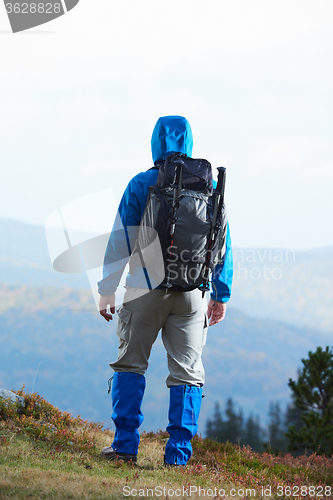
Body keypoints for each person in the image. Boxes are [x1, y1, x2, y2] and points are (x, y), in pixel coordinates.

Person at [98, 115, 233, 465]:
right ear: (189, 142)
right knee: (187, 372)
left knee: (130, 365)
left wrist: (107, 288)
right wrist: (220, 294)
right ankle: (178, 457)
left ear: (156, 142)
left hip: (145, 287)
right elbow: (222, 244)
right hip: (193, 291)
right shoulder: (209, 187)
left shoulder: (143, 182)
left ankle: (125, 447)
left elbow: (121, 239)